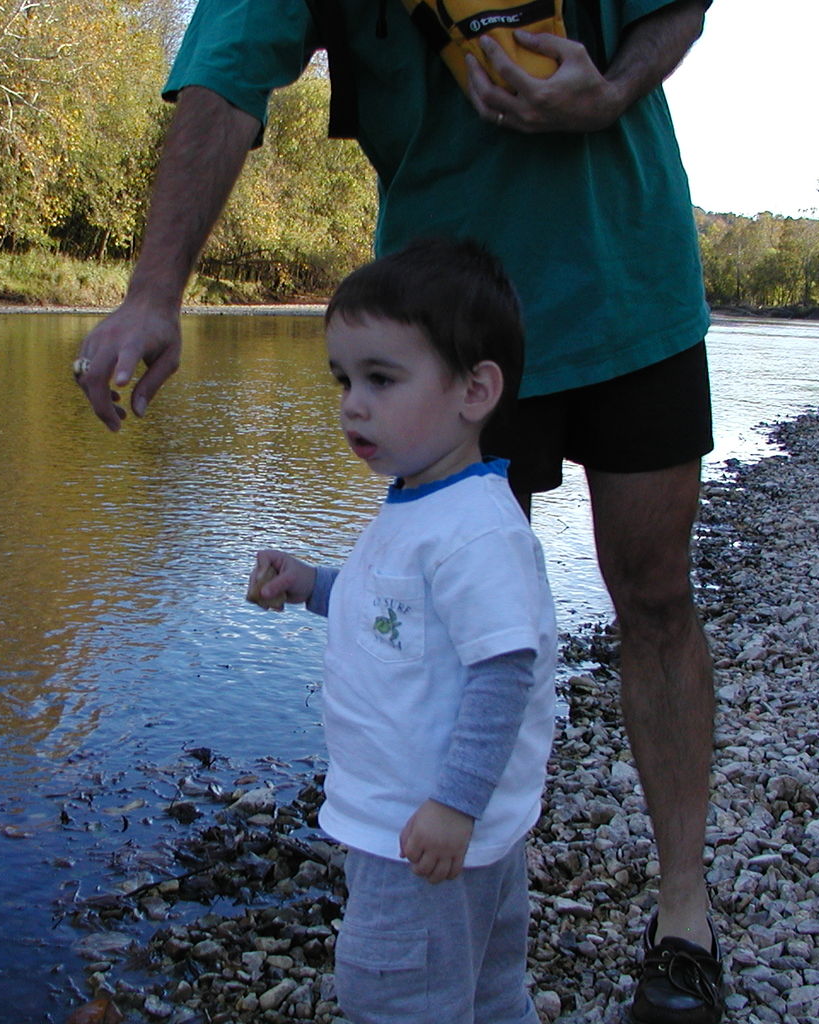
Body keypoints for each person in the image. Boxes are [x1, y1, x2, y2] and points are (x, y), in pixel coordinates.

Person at [73, 3, 725, 1021]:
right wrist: (156, 288)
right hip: (437, 320)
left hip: (624, 273)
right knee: (440, 586)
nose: (343, 405)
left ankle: (682, 910)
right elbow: (228, 74)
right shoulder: (403, 384)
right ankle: (474, 855)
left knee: (651, 593)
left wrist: (616, 86)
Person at [246, 238, 558, 1024]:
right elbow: (401, 616)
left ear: (474, 390)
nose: (353, 403)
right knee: (483, 993)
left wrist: (453, 805)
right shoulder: (423, 503)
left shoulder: (473, 530)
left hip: (416, 833)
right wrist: (313, 585)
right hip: (442, 827)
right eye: (344, 379)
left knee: (396, 996)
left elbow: (503, 670)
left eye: (381, 379)